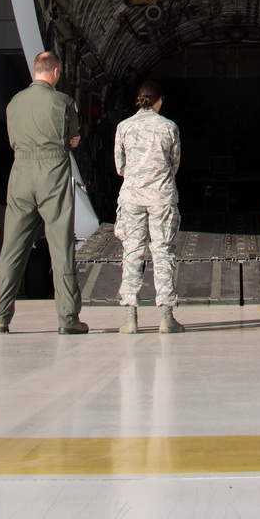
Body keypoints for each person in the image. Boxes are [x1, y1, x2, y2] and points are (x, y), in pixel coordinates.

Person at [0, 50, 88, 336]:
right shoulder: (63, 102)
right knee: (61, 246)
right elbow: (71, 137)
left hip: (20, 174)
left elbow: (12, 140)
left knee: (12, 249)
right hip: (52, 175)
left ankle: (0, 318)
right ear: (56, 72)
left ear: (36, 70)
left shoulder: (14, 103)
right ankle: (68, 318)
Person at [114, 79, 184, 335]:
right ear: (158, 100)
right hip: (161, 197)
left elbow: (120, 166)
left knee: (132, 252)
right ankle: (166, 317)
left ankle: (130, 318)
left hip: (132, 196)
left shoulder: (123, 127)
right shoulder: (169, 127)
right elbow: (174, 164)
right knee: (163, 252)